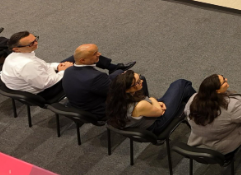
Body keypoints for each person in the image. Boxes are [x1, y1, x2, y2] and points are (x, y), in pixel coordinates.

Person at [1, 32, 132, 99]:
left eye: (35, 39)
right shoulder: (26, 65)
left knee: (82, 54)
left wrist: (58, 66)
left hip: (46, 78)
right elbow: (44, 84)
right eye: (31, 43)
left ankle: (113, 67)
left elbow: (44, 66)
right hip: (47, 91)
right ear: (16, 48)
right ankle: (111, 78)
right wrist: (65, 71)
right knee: (83, 65)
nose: (35, 43)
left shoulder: (18, 55)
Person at [184, 74, 241, 155]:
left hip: (199, 140)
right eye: (224, 81)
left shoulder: (193, 98)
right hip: (220, 146)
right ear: (217, 91)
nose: (226, 79)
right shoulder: (231, 106)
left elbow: (186, 112)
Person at [62, 44, 139, 120]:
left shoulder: (68, 70)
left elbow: (103, 83)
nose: (99, 54)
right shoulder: (95, 77)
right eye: (95, 54)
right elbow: (114, 91)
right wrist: (123, 75)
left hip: (79, 105)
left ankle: (118, 69)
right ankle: (140, 110)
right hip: (99, 111)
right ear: (82, 60)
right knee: (137, 80)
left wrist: (118, 72)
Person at [106, 71, 195, 134]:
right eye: (138, 82)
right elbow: (159, 112)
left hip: (147, 115)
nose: (142, 81)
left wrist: (153, 104)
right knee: (181, 83)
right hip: (157, 124)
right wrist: (153, 100)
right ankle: (199, 109)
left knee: (186, 90)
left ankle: (196, 107)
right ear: (128, 89)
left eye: (139, 77)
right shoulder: (139, 106)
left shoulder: (116, 98)